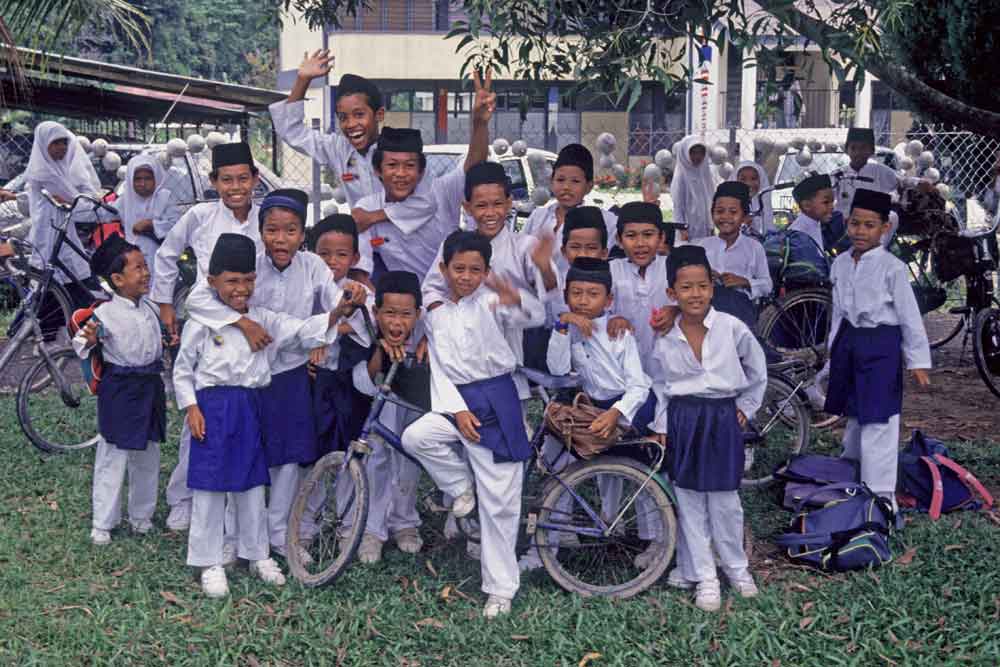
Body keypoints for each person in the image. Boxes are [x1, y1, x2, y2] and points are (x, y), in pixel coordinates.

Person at [181, 190, 361, 561]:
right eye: (272, 230)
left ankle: (279, 534)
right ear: (260, 231)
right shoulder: (245, 261)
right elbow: (197, 300)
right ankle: (233, 537)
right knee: (239, 453)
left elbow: (330, 301)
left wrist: (344, 304)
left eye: (291, 230)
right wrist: (243, 322)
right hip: (244, 380)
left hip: (290, 373)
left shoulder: (313, 266)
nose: (281, 239)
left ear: (303, 233)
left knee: (287, 458)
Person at [401, 231, 544, 619]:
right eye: (458, 269)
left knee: (500, 503)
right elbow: (442, 369)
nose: (466, 277)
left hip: (498, 399)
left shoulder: (494, 302)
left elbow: (536, 315)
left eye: (475, 270)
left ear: (487, 271)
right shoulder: (436, 311)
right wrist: (456, 409)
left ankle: (500, 589)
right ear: (444, 269)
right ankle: (461, 489)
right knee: (416, 436)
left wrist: (511, 293)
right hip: (457, 402)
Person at [153, 142, 264, 532]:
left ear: (255, 179)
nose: (236, 187)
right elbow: (167, 254)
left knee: (243, 411)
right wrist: (165, 303)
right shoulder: (200, 216)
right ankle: (182, 497)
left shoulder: (265, 219)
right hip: (207, 320)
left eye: (243, 178)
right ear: (214, 181)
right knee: (198, 414)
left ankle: (240, 502)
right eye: (227, 179)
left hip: (252, 321)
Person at [650, 245, 767, 612]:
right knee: (689, 502)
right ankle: (705, 577)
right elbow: (659, 383)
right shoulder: (665, 335)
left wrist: (745, 408)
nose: (695, 294)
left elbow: (757, 370)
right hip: (684, 418)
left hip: (721, 418)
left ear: (712, 288)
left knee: (725, 501)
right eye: (686, 288)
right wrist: (662, 425)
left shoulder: (731, 328)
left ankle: (736, 569)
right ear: (672, 293)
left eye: (702, 286)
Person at [823, 189, 931, 512]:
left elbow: (909, 317)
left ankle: (881, 499)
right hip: (850, 342)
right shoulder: (841, 264)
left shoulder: (892, 268)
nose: (860, 231)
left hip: (881, 346)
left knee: (879, 419)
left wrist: (918, 360)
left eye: (869, 225)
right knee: (855, 411)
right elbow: (838, 311)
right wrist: (833, 348)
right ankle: (851, 471)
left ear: (884, 228)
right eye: (855, 223)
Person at [423, 160, 557, 399]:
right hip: (458, 355)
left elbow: (547, 300)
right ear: (467, 207)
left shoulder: (524, 246)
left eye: (497, 204)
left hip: (505, 355)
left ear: (508, 204)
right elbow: (431, 291)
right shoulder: (454, 245)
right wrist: (445, 319)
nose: (490, 213)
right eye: (481, 205)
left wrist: (544, 267)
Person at [268, 51, 437, 233]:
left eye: (359, 115)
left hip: (411, 249)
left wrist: (373, 217)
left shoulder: (400, 152)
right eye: (343, 117)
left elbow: (427, 202)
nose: (351, 125)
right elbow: (291, 131)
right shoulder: (338, 149)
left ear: (379, 114)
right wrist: (303, 80)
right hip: (365, 249)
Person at [355, 69, 494, 281]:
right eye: (392, 165)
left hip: (454, 293)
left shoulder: (441, 191)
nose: (401, 174)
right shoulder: (366, 209)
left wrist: (480, 123)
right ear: (378, 170)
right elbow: (361, 271)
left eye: (409, 166)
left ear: (421, 172)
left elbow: (474, 163)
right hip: (404, 305)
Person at [72, 235, 165, 546]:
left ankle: (141, 517)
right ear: (117, 279)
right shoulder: (104, 313)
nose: (146, 273)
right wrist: (90, 338)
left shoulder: (150, 307)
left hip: (150, 387)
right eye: (138, 268)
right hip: (121, 391)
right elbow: (80, 344)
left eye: (145, 265)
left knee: (148, 453)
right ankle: (103, 522)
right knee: (114, 454)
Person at [347, 270, 431, 562]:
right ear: (375, 312)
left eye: (406, 314)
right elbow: (361, 381)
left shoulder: (427, 333)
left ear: (418, 314)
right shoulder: (365, 331)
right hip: (380, 400)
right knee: (378, 457)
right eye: (389, 313)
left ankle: (405, 521)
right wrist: (379, 353)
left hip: (416, 400)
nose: (397, 322)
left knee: (410, 456)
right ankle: (372, 529)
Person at [24, 121, 103, 306]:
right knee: (60, 288)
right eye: (56, 143)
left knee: (56, 289)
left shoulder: (56, 169)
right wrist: (83, 203)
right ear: (44, 144)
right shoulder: (46, 173)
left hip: (59, 233)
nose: (62, 147)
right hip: (49, 235)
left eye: (64, 142)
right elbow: (80, 204)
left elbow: (75, 200)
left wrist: (77, 202)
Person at [522, 143, 619, 271]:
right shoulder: (538, 216)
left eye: (575, 181)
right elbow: (521, 256)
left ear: (589, 186)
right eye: (560, 180)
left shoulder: (606, 221)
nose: (566, 187)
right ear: (551, 182)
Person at [609, 202, 677, 378]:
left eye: (648, 235)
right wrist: (613, 318)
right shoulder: (611, 270)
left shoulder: (673, 268)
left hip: (668, 366)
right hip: (623, 368)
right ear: (619, 240)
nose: (640, 243)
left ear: (661, 238)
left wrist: (675, 310)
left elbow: (698, 304)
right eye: (631, 236)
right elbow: (596, 311)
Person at [695, 182, 772, 302]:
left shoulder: (754, 248)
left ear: (745, 217)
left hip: (740, 309)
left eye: (733, 212)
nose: (726, 217)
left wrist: (744, 282)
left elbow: (767, 285)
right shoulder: (703, 246)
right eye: (720, 211)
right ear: (712, 214)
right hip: (706, 307)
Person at [118, 154, 180, 281]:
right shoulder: (125, 200)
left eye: (148, 179)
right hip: (132, 256)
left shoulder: (165, 198)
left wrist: (151, 224)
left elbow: (176, 225)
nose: (143, 183)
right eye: (138, 179)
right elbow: (106, 213)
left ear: (156, 178)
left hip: (159, 256)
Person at [670, 135, 716, 241]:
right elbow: (678, 206)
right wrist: (682, 229)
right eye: (693, 152)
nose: (698, 156)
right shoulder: (681, 176)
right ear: (685, 153)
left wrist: (711, 225)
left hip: (704, 226)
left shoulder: (704, 173)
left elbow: (709, 199)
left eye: (701, 153)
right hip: (687, 228)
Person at [787, 173, 835, 253]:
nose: (832, 207)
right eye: (826, 202)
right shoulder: (798, 234)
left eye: (832, 201)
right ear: (806, 205)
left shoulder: (815, 223)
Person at [731, 161, 775, 235]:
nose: (748, 183)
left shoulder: (763, 205)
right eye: (743, 179)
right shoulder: (730, 207)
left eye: (753, 178)